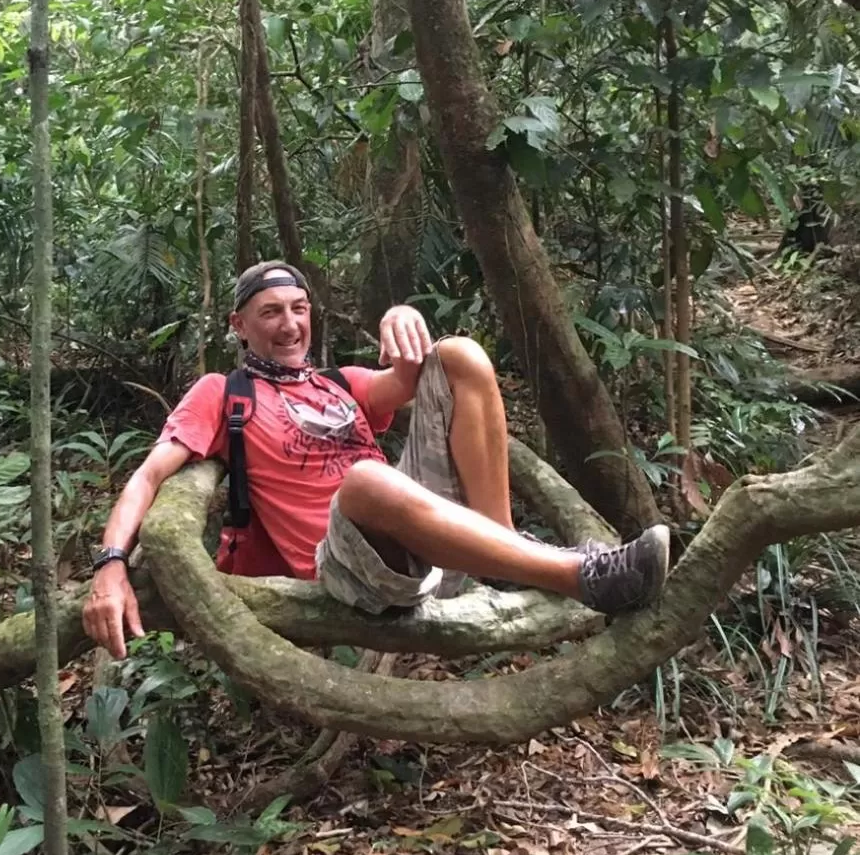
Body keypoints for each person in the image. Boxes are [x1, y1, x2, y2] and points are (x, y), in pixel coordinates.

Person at [83, 261, 670, 659]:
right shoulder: (223, 391)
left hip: (429, 544)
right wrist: (110, 565)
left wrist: (401, 316)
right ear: (239, 325)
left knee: (461, 354)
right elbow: (148, 475)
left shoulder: (338, 383)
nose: (290, 324)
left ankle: (501, 549)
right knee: (365, 480)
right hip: (346, 573)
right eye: (270, 312)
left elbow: (414, 375)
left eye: (298, 308)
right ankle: (582, 578)